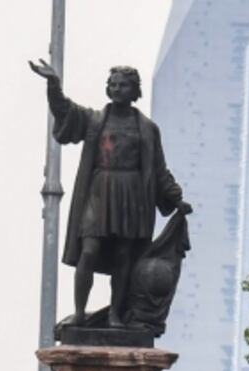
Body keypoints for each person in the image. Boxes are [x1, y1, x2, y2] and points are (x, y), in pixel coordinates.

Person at [28, 59, 192, 328]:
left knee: (124, 256)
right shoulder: (95, 120)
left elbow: (159, 169)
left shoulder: (147, 128)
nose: (117, 89)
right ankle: (80, 312)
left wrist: (176, 198)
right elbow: (65, 111)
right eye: (113, 85)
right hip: (99, 192)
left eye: (123, 85)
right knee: (89, 250)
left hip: (131, 195)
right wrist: (53, 85)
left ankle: (116, 313)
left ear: (134, 90)